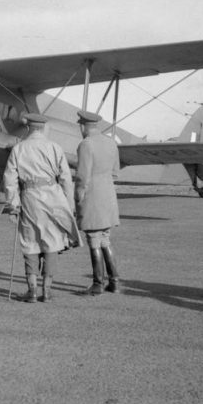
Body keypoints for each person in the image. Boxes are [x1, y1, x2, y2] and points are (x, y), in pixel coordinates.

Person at [3, 113, 81, 303]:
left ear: (28, 128)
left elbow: (10, 179)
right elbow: (65, 178)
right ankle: (46, 291)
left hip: (30, 198)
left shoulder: (18, 148)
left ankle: (32, 291)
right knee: (52, 241)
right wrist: (69, 205)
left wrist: (13, 204)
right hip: (54, 197)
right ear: (43, 128)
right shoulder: (55, 147)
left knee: (30, 241)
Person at [74, 110, 121, 295]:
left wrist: (78, 195)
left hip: (92, 195)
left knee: (93, 239)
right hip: (108, 195)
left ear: (82, 126)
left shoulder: (86, 144)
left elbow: (82, 176)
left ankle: (97, 283)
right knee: (104, 238)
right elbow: (116, 172)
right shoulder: (111, 143)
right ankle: (114, 282)